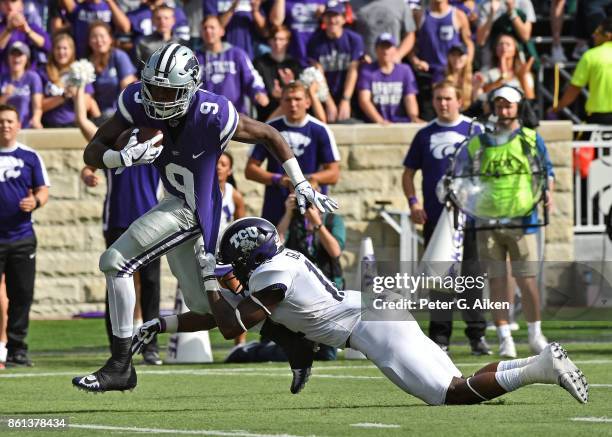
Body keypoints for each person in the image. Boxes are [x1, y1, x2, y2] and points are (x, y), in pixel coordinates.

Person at [72, 43, 337, 393]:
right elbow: (93, 149)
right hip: (177, 203)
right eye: (153, 87)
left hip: (196, 211)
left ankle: (120, 365)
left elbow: (270, 135)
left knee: (115, 261)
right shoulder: (136, 100)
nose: (157, 97)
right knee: (206, 309)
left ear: (190, 87)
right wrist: (119, 159)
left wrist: (301, 181)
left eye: (168, 90)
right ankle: (293, 341)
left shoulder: (213, 112)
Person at [196, 217, 589, 405]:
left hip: (372, 328)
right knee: (457, 379)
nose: (236, 269)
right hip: (378, 312)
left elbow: (231, 327)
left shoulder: (270, 277)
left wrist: (209, 280)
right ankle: (540, 361)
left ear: (250, 255)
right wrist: (163, 323)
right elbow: (231, 314)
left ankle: (541, 370)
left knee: (450, 395)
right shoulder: (280, 263)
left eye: (236, 261)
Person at [74, 84, 163, 366]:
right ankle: (118, 348)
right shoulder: (114, 137)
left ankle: (150, 345)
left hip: (152, 219)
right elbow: (84, 125)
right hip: (118, 217)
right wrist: (80, 85)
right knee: (115, 280)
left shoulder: (160, 136)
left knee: (150, 283)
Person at [402, 80, 489, 355]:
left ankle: (477, 336)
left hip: (470, 219)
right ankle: (440, 337)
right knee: (440, 278)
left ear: (459, 100)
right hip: (437, 220)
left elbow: (489, 172)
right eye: (438, 98)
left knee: (472, 278)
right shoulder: (424, 134)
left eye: (448, 98)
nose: (443, 103)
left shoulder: (476, 131)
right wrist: (414, 202)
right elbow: (408, 173)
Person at [467, 85, 554, 357]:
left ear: (518, 108)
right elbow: (463, 177)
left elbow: (546, 171)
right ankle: (505, 337)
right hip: (487, 220)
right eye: (499, 105)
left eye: (509, 106)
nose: (503, 111)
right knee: (497, 279)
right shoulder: (477, 143)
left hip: (523, 219)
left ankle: (535, 333)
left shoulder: (530, 139)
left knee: (526, 278)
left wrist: (547, 190)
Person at [245, 81, 340, 226]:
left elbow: (333, 174)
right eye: (288, 100)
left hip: (311, 208)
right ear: (280, 103)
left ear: (308, 102)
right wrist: (280, 180)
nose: (293, 104)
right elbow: (250, 170)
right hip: (276, 205)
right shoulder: (269, 129)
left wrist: (307, 180)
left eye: (298, 99)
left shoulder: (321, 130)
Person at [0, 104, 49, 367]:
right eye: (1, 121)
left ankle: (17, 348)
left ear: (18, 125)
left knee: (21, 294)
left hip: (21, 236)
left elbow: (43, 190)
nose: (5, 125)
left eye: (9, 121)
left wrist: (36, 203)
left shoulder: (30, 157)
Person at [198, 15, 269, 115]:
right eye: (205, 28)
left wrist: (258, 92)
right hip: (206, 117)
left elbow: (251, 77)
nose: (208, 31)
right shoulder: (195, 58)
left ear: (222, 31)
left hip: (235, 115)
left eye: (212, 27)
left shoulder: (237, 54)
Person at [306, 1, 364, 123]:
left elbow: (353, 70)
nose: (332, 20)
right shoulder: (315, 41)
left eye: (336, 16)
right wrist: (329, 102)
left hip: (349, 94)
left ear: (343, 19)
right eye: (328, 16)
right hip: (325, 93)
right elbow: (318, 73)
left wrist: (345, 99)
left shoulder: (354, 39)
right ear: (323, 19)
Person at [551, 17, 612, 125]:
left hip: (600, 117)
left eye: (597, 32)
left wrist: (557, 108)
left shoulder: (591, 55)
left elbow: (574, 88)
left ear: (608, 35)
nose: (593, 35)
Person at [357, 33, 420, 124]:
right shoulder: (367, 71)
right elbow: (364, 100)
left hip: (400, 122)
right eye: (382, 47)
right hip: (374, 123)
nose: (385, 51)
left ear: (395, 49)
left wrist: (413, 117)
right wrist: (380, 121)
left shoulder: (405, 70)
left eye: (388, 47)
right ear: (376, 49)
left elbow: (410, 97)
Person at [41, 33, 100, 128]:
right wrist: (63, 96)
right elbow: (39, 107)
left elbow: (88, 104)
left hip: (74, 125)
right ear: (53, 50)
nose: (61, 52)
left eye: (65, 48)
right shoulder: (43, 72)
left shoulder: (81, 70)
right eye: (58, 48)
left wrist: (76, 94)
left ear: (72, 51)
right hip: (49, 126)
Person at [87, 21, 137, 122]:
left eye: (102, 36)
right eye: (94, 37)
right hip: (97, 115)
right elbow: (88, 96)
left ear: (110, 39)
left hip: (119, 114)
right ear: (89, 41)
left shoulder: (119, 56)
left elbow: (127, 88)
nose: (98, 40)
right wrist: (98, 118)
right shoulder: (86, 63)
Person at [253, 25, 302, 122]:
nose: (277, 42)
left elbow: (299, 91)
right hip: (265, 114)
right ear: (269, 41)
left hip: (289, 116)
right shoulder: (259, 63)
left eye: (281, 39)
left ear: (287, 42)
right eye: (274, 39)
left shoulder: (294, 64)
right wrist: (271, 94)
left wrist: (290, 84)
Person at [350, 0, 416, 62]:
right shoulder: (353, 4)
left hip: (391, 67)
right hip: (364, 65)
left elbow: (410, 34)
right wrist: (359, 56)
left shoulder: (400, 4)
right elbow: (346, 35)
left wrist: (398, 55)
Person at [475, 33, 535, 100]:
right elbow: (481, 95)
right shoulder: (487, 71)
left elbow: (530, 98)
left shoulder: (522, 71)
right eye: (500, 44)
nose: (503, 46)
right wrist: (501, 79)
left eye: (508, 44)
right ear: (495, 49)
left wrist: (523, 77)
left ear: (515, 50)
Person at [61, 0, 130, 58]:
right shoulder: (78, 8)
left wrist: (109, 1)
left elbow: (125, 27)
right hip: (83, 58)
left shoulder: (109, 7)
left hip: (106, 58)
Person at [268, 0, 327, 67]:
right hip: (294, 53)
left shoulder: (322, 1)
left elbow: (335, 22)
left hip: (318, 54)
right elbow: (276, 22)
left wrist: (325, 15)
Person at [202, 0, 267, 59]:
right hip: (222, 55)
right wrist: (232, 8)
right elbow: (212, 26)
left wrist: (255, 10)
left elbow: (265, 32)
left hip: (252, 52)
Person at [0, 41, 42, 128]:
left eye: (20, 55)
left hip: (25, 127)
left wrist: (36, 119)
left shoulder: (33, 78)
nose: (16, 59)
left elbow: (37, 106)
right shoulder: (2, 78)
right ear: (8, 58)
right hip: (5, 129)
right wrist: (5, 96)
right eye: (13, 55)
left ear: (27, 58)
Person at [0, 0, 50, 74]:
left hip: (29, 79)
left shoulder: (31, 27)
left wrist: (28, 31)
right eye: (5, 2)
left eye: (14, 1)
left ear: (21, 5)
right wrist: (8, 30)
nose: (9, 6)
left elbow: (48, 46)